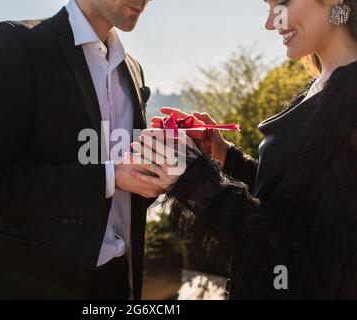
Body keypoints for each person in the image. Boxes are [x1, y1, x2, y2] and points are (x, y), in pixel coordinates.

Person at [132, 0, 357, 299]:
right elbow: (294, 202)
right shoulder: (323, 86)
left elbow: (321, 262)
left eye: (282, 3)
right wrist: (225, 156)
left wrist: (194, 178)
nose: (270, 22)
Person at [0, 0, 159, 300]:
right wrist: (109, 177)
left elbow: (130, 188)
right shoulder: (17, 43)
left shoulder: (133, 69)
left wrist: (167, 165)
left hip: (119, 282)